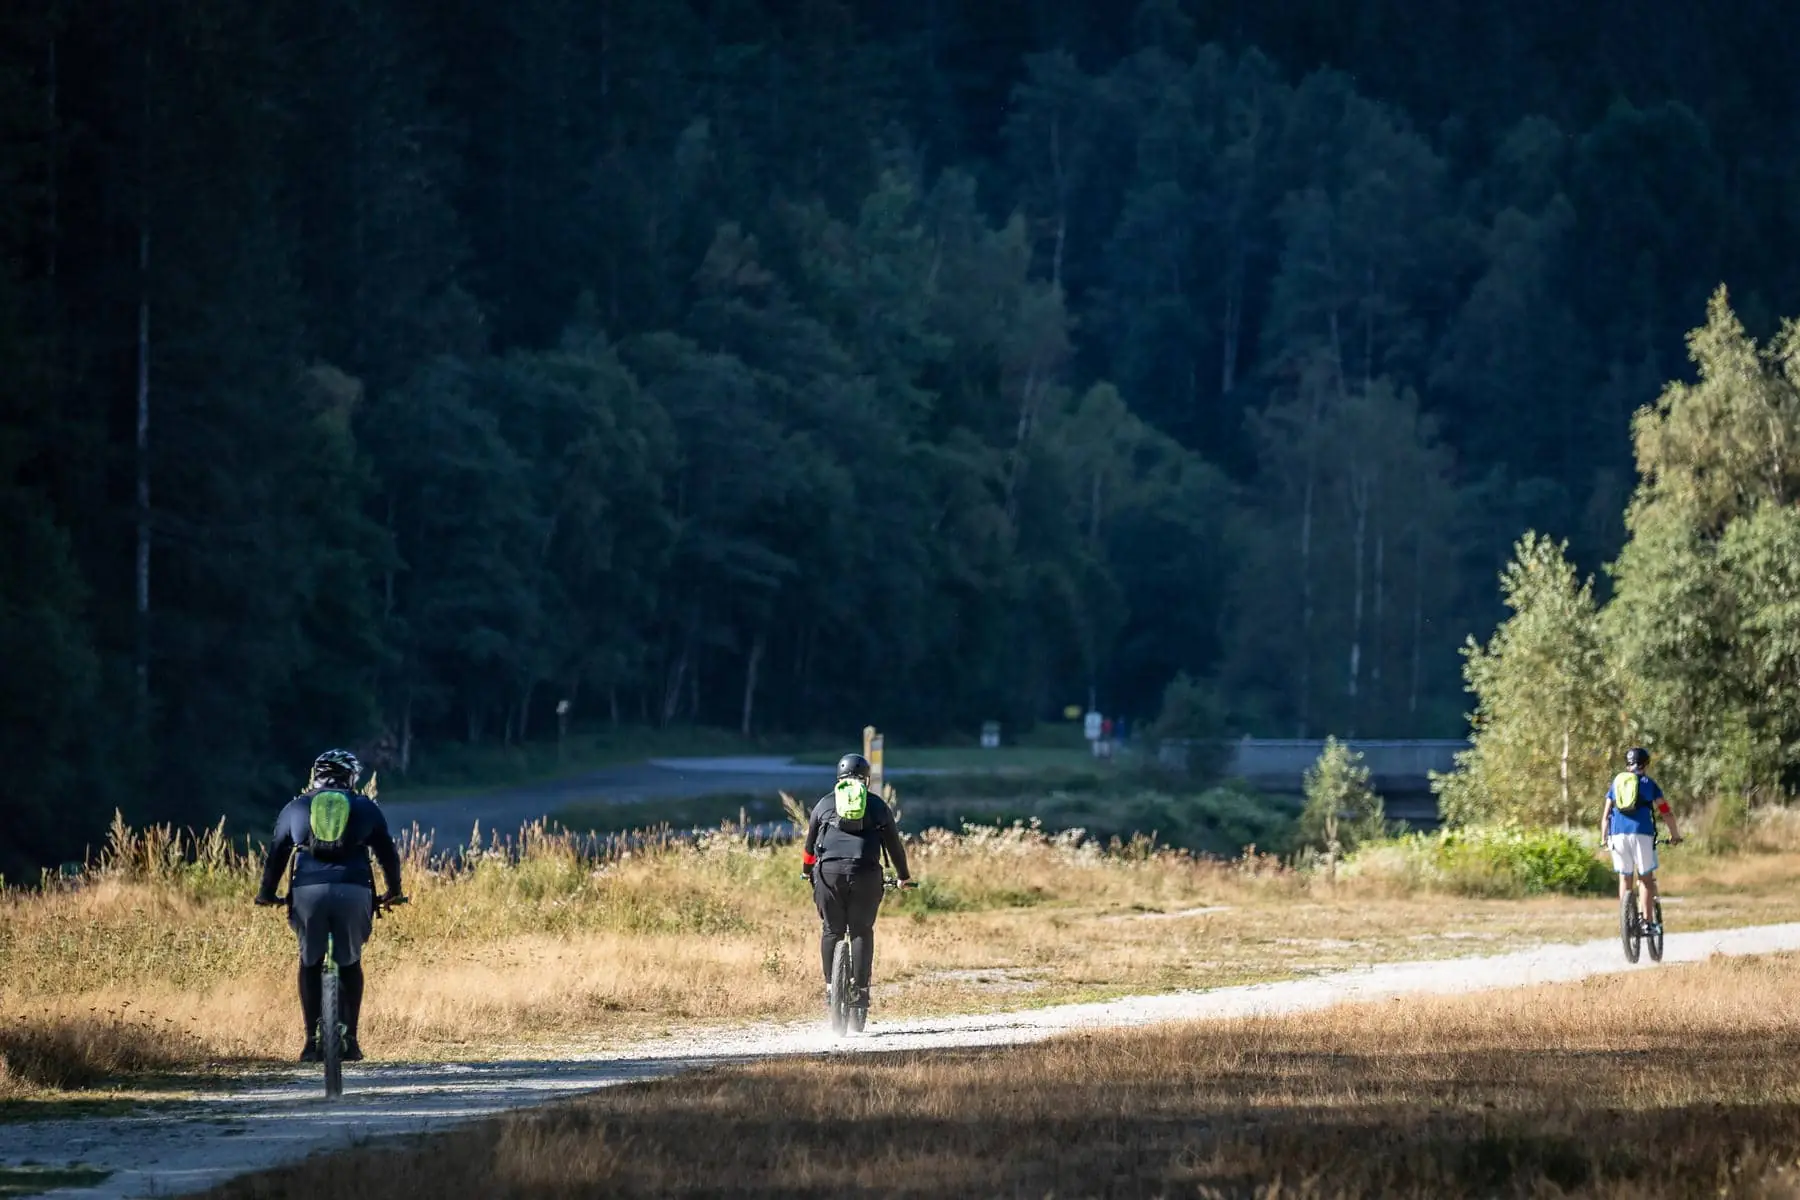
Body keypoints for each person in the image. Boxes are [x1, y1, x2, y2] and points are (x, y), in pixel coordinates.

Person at [254, 749, 404, 1063]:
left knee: (310, 962)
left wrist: (267, 893)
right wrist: (394, 891)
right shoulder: (365, 807)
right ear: (351, 778)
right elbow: (387, 854)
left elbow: (277, 854)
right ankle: (350, 1040)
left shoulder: (296, 807)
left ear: (315, 776)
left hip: (308, 892)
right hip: (354, 889)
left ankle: (311, 1042)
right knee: (350, 962)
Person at [802, 752, 916, 1012]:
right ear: (866, 780)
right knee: (861, 930)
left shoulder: (824, 804)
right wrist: (903, 877)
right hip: (866, 873)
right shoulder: (877, 806)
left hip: (828, 874)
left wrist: (807, 871)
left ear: (838, 778)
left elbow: (809, 847)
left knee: (832, 930)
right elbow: (894, 847)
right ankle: (861, 993)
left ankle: (832, 989)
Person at [1600, 746, 1682, 934]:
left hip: (1617, 835)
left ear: (1627, 764)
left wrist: (1604, 838)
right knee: (1645, 879)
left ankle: (1626, 922)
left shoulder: (1617, 782)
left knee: (1625, 877)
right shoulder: (1648, 783)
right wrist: (1674, 835)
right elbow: (1666, 812)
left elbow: (1605, 815)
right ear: (1645, 764)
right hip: (1642, 833)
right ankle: (1647, 922)